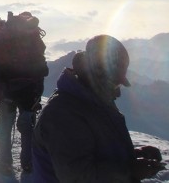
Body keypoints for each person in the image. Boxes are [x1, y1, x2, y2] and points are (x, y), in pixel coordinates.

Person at [32, 35, 165, 182]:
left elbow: (95, 153)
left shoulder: (91, 103)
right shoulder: (63, 115)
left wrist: (133, 156)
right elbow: (78, 176)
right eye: (114, 83)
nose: (118, 92)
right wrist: (130, 171)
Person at [0, 11, 48, 176]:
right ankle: (28, 164)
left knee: (4, 129)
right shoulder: (35, 41)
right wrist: (37, 95)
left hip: (7, 92)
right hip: (29, 95)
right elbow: (42, 70)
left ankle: (5, 163)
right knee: (28, 131)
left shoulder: (6, 39)